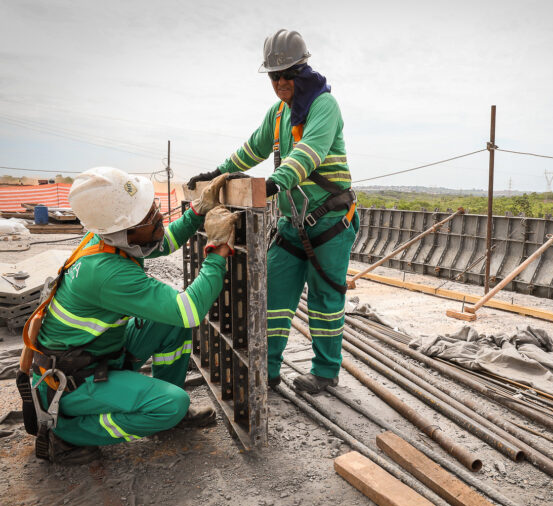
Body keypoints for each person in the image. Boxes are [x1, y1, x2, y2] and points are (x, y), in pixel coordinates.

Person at [22, 167, 238, 465]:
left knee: (168, 323)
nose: (160, 217)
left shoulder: (108, 237)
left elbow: (160, 242)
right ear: (127, 229)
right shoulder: (106, 273)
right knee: (172, 403)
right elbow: (190, 310)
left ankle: (165, 411)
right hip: (71, 382)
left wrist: (197, 212)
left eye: (154, 208)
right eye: (151, 216)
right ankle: (66, 433)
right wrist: (217, 251)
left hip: (98, 355)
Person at [188, 29, 358, 395]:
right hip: (293, 224)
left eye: (287, 75)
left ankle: (326, 372)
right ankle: (267, 370)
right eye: (274, 76)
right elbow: (252, 149)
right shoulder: (279, 113)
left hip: (330, 222)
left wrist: (274, 183)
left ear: (302, 70)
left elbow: (309, 151)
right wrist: (217, 172)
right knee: (273, 296)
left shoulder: (323, 106)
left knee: (325, 301)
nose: (280, 82)